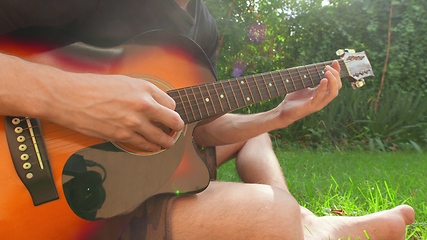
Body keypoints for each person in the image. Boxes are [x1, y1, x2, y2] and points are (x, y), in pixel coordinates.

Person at [0, 0, 414, 239]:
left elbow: (202, 125)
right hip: (33, 193)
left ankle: (308, 223)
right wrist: (69, 97)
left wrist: (277, 115)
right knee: (270, 215)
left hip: (124, 172)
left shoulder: (204, 25)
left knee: (260, 139)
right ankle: (299, 227)